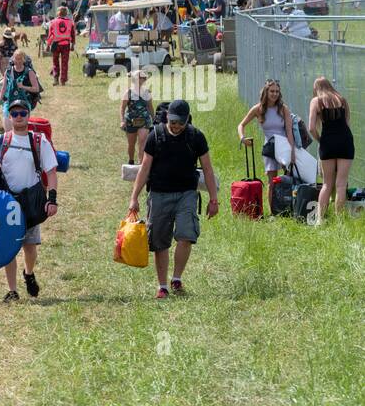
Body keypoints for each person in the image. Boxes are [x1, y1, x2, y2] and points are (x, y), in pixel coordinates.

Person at [129, 100, 219, 299]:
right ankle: (162, 286)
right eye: (172, 122)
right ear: (167, 118)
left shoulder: (196, 137)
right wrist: (134, 197)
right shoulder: (156, 136)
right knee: (160, 242)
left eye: (180, 122)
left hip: (186, 193)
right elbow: (145, 168)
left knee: (186, 235)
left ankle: (176, 279)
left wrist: (214, 199)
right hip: (159, 194)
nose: (176, 126)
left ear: (187, 120)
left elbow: (208, 169)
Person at [0, 101, 59, 302]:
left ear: (28, 115)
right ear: (10, 117)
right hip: (4, 200)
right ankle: (12, 290)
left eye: (22, 113)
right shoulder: (0, 140)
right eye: (14, 113)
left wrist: (52, 200)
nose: (18, 116)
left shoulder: (39, 141)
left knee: (30, 246)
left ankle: (29, 273)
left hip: (30, 201)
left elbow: (51, 171)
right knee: (8, 246)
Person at [307, 76, 355, 219]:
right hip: (345, 142)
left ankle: (319, 220)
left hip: (328, 142)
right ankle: (339, 220)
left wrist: (320, 139)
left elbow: (311, 128)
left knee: (327, 184)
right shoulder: (342, 99)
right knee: (341, 184)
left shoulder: (316, 101)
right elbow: (347, 124)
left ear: (316, 88)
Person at [238, 78, 297, 183]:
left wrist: (292, 151)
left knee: (289, 180)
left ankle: (285, 199)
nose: (275, 94)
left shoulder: (283, 109)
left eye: (277, 91)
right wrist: (242, 138)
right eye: (272, 91)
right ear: (266, 92)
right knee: (272, 182)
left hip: (284, 147)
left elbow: (289, 131)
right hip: (270, 149)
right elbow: (241, 125)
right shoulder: (258, 109)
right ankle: (272, 200)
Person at [120, 69, 153, 165]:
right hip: (131, 121)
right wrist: (122, 121)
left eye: (144, 78)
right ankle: (131, 160)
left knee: (142, 141)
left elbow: (150, 107)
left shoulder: (147, 92)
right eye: (142, 77)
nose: (144, 79)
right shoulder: (128, 93)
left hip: (144, 121)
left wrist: (154, 118)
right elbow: (122, 108)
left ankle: (141, 164)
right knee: (131, 144)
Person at [47, 5, 75, 85]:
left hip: (56, 44)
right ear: (66, 13)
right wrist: (73, 45)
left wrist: (48, 45)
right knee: (64, 63)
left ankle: (56, 79)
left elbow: (50, 35)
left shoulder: (53, 22)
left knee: (55, 62)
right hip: (66, 45)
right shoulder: (70, 22)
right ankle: (63, 80)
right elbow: (73, 34)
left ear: (57, 13)